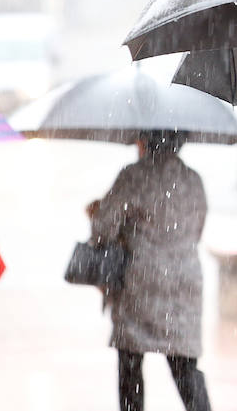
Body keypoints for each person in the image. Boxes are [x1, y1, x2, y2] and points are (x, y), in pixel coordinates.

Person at [89, 130, 212, 411]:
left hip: (141, 281)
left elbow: (102, 230)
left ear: (144, 140)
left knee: (130, 363)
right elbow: (198, 229)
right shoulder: (193, 179)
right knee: (184, 366)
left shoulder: (133, 175)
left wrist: (98, 213)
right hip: (185, 281)